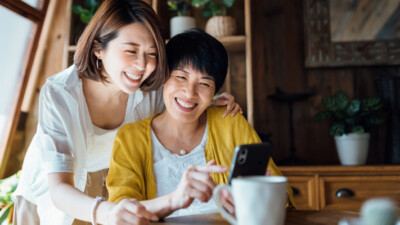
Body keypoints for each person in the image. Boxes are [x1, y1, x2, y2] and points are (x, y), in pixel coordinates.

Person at [12, 1, 240, 225]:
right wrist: (106, 212)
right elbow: (60, 188)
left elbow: (180, 101)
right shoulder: (59, 93)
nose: (142, 65)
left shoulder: (150, 91)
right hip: (55, 193)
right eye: (131, 50)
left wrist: (211, 103)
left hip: (111, 187)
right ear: (98, 48)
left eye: (151, 53)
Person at [107, 29, 295, 219]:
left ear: (215, 90)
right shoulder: (130, 138)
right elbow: (120, 213)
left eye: (204, 83)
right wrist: (174, 199)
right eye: (181, 77)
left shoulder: (230, 123)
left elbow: (282, 194)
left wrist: (261, 196)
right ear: (163, 77)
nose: (190, 93)